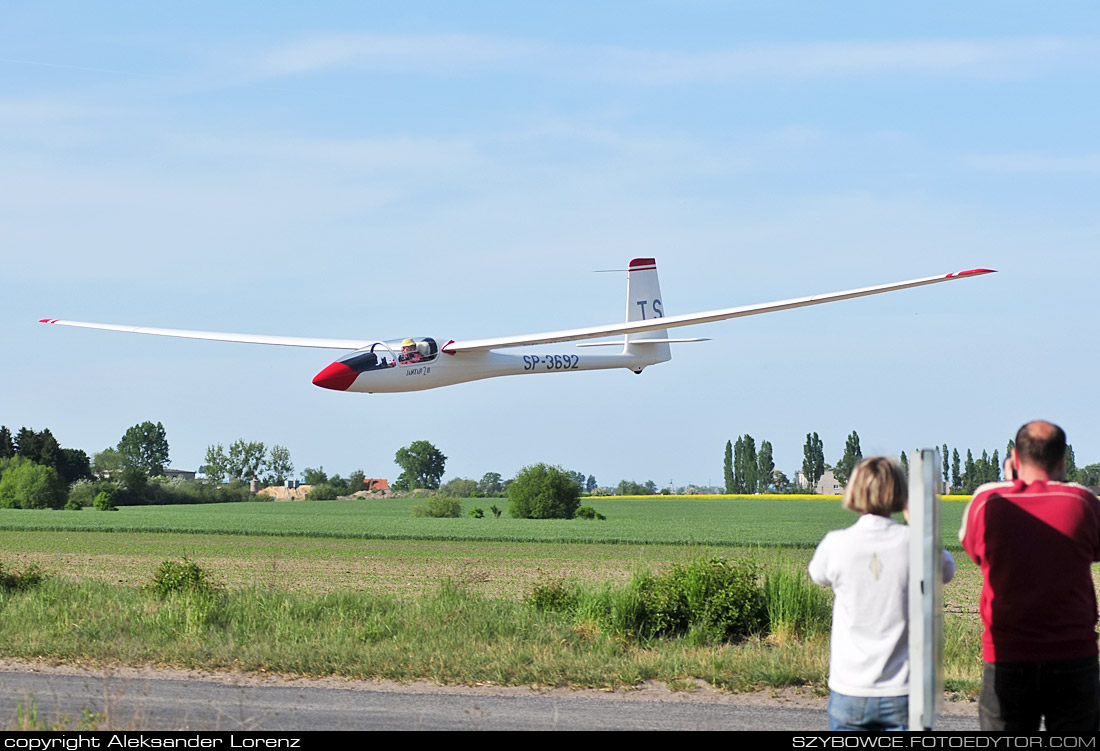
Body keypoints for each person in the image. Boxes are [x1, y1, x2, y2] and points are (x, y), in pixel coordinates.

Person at [959, 420, 1100, 732]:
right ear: (1062, 460)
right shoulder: (1083, 502)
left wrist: (1012, 483)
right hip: (1073, 653)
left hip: (1007, 654)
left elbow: (975, 552)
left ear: (1014, 457)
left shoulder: (987, 501)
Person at [809, 456, 955, 731]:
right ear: (900, 493)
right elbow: (946, 570)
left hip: (850, 687)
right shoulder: (914, 544)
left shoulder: (835, 545)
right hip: (904, 690)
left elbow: (818, 574)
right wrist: (919, 526)